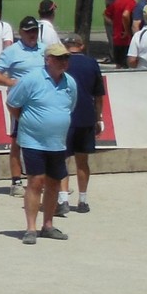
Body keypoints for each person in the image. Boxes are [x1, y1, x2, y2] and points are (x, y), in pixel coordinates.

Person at [7, 42, 77, 244]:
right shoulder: (31, 79)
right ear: (48, 60)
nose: (64, 61)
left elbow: (69, 107)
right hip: (33, 140)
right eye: (59, 58)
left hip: (57, 142)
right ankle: (30, 228)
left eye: (66, 58)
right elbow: (12, 104)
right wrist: (29, 122)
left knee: (54, 183)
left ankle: (48, 224)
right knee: (35, 181)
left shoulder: (70, 83)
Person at [0, 16, 45, 196]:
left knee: (45, 140)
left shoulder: (45, 49)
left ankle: (44, 179)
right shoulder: (12, 51)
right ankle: (16, 182)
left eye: (35, 31)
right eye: (28, 31)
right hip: (22, 104)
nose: (32, 35)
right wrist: (12, 83)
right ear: (21, 32)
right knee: (18, 141)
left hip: (44, 103)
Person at [57, 34, 105, 214]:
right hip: (86, 116)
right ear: (82, 45)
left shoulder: (61, 63)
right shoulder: (92, 63)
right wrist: (99, 117)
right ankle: (83, 199)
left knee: (63, 159)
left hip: (65, 116)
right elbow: (99, 95)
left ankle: (63, 198)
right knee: (82, 161)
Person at [105, 0, 138, 68]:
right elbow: (125, 15)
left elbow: (106, 15)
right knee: (128, 66)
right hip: (127, 40)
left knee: (118, 66)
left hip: (116, 39)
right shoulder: (132, 3)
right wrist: (127, 31)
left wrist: (114, 25)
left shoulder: (117, 2)